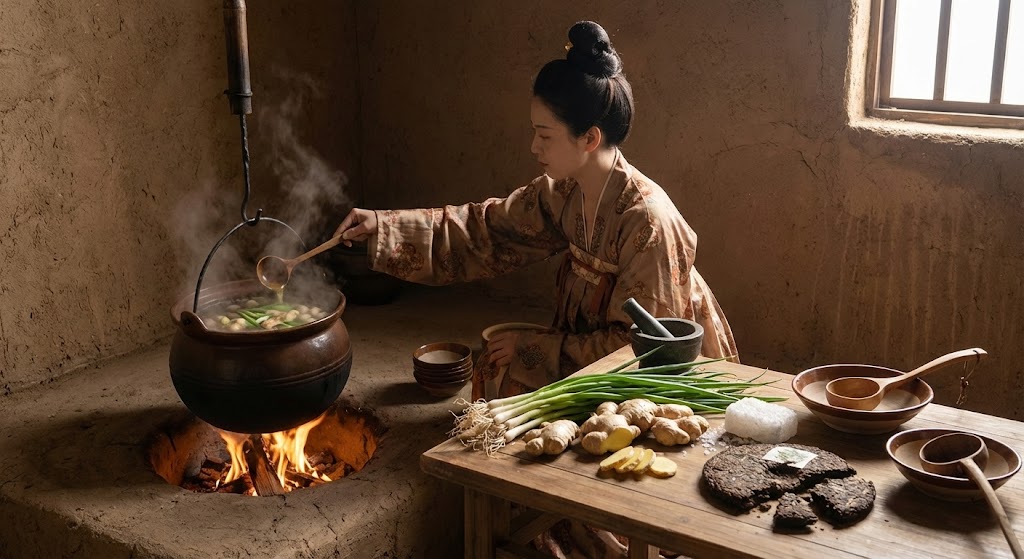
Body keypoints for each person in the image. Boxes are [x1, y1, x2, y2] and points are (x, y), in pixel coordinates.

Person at [335, 21, 739, 400]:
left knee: (517, 368)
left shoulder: (647, 221)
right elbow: (486, 231)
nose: (534, 147)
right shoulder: (562, 191)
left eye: (544, 135)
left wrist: (533, 347)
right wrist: (383, 226)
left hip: (660, 374)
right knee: (496, 370)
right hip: (587, 351)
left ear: (589, 138)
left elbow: (640, 350)